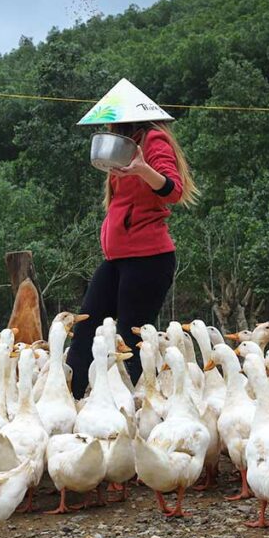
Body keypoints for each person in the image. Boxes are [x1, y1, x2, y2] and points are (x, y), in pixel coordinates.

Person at [66, 79, 199, 400]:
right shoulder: (125, 144)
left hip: (149, 259)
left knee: (130, 333)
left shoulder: (154, 140)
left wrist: (142, 169)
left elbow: (173, 189)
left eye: (112, 119)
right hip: (118, 259)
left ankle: (145, 404)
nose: (109, 125)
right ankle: (71, 396)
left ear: (126, 118)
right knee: (86, 325)